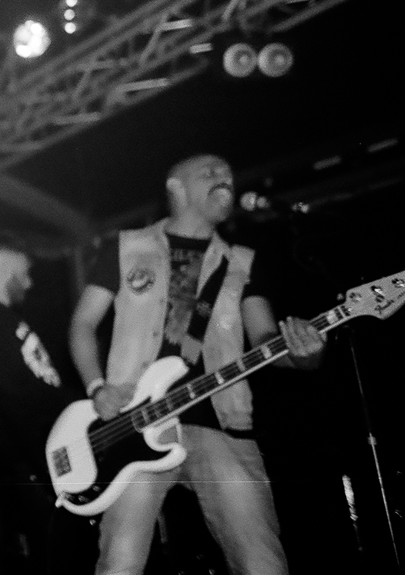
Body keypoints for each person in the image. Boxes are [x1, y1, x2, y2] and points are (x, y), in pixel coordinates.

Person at [68, 153, 325, 575]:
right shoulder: (126, 247)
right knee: (120, 564)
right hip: (137, 425)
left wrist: (305, 352)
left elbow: (265, 339)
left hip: (222, 424)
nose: (225, 179)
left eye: (228, 174)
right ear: (176, 187)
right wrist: (98, 388)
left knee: (263, 564)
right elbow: (82, 324)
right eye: (210, 172)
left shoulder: (242, 262)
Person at [0, 239, 90, 574]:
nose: (30, 283)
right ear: (6, 271)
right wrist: (79, 403)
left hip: (51, 457)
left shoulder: (6, 319)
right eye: (25, 274)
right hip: (35, 464)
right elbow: (18, 393)